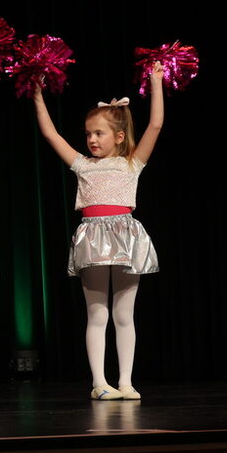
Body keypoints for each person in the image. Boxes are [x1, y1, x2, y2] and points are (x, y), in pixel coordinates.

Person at [32, 62, 164, 400]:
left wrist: (156, 83)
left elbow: (156, 124)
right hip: (92, 238)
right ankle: (99, 383)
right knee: (97, 313)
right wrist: (37, 95)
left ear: (118, 136)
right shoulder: (81, 165)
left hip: (125, 237)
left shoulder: (132, 163)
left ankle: (125, 381)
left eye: (99, 133)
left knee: (124, 314)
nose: (91, 139)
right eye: (88, 133)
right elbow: (50, 135)